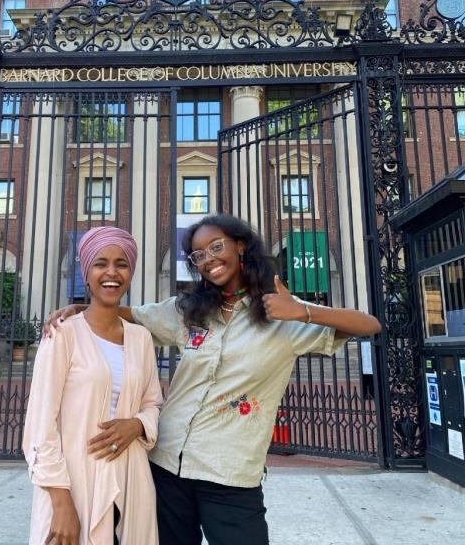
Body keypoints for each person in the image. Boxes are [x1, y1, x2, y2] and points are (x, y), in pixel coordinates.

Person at [44, 214, 382, 545]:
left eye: (216, 246)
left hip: (229, 473)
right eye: (199, 254)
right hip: (166, 468)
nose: (209, 259)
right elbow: (130, 313)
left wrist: (303, 311)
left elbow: (369, 325)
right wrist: (79, 309)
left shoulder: (280, 315)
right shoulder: (187, 311)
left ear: (240, 246)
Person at [24, 226, 162, 545]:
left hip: (131, 481)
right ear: (86, 273)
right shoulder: (63, 335)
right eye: (101, 263)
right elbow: (40, 426)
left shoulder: (140, 339)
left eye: (121, 264)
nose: (111, 272)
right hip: (75, 483)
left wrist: (138, 425)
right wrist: (61, 502)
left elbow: (153, 403)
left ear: (131, 272)